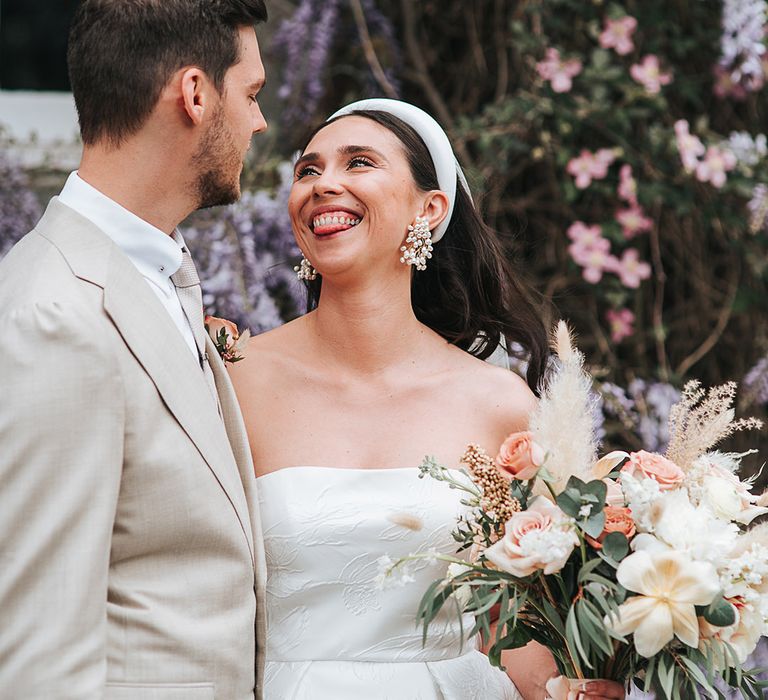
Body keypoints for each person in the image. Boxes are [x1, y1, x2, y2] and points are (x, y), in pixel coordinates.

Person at [230, 99, 626, 699]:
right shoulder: (233, 379)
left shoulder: (500, 405)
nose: (323, 185)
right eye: (306, 171)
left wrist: (577, 685)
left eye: (358, 163)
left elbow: (512, 629)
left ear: (430, 208)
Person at [0, 1, 268, 698]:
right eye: (252, 94)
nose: (260, 122)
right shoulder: (55, 316)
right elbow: (38, 653)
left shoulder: (158, 276)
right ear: (195, 94)